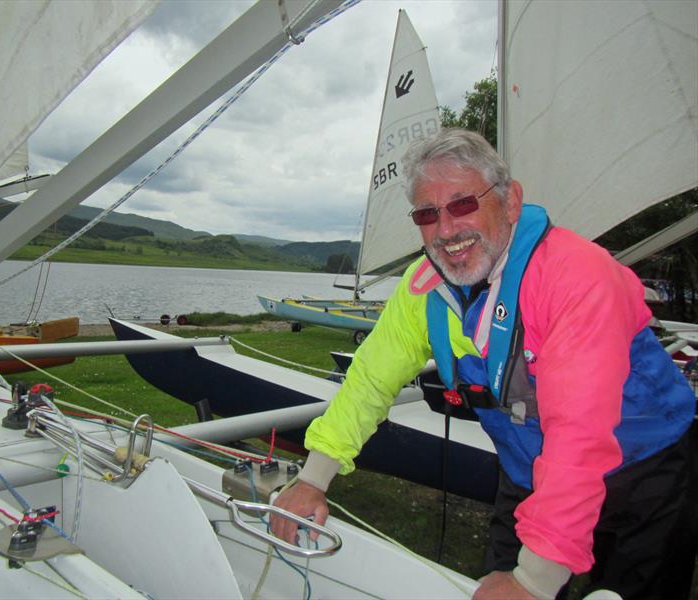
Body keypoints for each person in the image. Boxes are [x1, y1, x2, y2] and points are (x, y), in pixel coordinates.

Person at [271, 129, 696, 599]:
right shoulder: (424, 290)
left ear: (510, 202)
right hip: (526, 473)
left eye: (463, 204)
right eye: (427, 214)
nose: (447, 230)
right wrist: (312, 480)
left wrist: (533, 581)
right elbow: (368, 383)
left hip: (644, 472)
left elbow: (580, 433)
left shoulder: (577, 277)